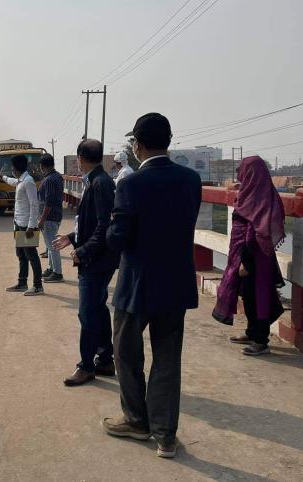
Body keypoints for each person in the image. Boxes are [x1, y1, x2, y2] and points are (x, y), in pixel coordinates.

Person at [101, 113, 202, 459]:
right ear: (168, 141)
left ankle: (136, 421)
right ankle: (165, 436)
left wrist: (108, 231)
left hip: (137, 285)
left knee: (126, 354)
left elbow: (118, 238)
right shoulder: (191, 179)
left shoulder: (130, 185)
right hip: (176, 283)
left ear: (137, 145)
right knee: (168, 360)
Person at [53, 139, 119, 386]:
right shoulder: (95, 181)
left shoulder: (100, 184)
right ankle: (104, 359)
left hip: (97, 260)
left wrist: (84, 250)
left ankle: (86, 365)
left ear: (81, 158)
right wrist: (72, 238)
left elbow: (105, 225)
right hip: (96, 257)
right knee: (98, 309)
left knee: (88, 313)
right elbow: (91, 223)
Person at [213, 156, 286, 356]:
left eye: (243, 171)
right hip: (246, 254)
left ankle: (261, 341)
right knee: (247, 294)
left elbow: (257, 230)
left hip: (255, 257)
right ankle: (252, 332)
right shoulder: (250, 192)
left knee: (257, 296)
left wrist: (247, 262)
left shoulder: (260, 196)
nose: (239, 174)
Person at [0, 154, 44, 296]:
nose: (11, 170)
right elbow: (13, 182)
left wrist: (31, 226)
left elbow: (35, 204)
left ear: (15, 168)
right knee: (21, 254)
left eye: (12, 167)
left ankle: (38, 286)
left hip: (27, 225)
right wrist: (1, 177)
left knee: (31, 255)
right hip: (19, 223)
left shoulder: (28, 182)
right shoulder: (21, 180)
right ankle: (22, 283)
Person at [37, 153, 64, 283]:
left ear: (42, 166)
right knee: (49, 245)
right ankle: (51, 268)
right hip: (55, 216)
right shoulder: (57, 176)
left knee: (52, 246)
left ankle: (57, 273)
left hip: (49, 217)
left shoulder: (49, 180)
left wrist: (41, 220)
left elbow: (49, 202)